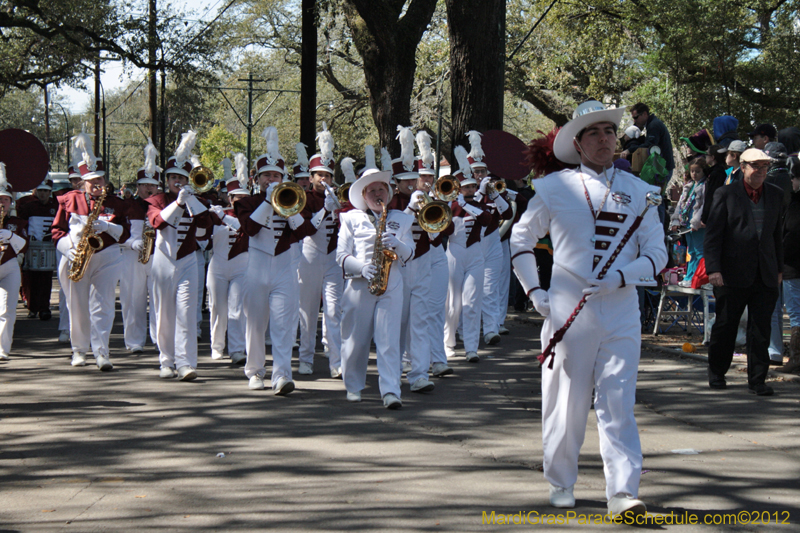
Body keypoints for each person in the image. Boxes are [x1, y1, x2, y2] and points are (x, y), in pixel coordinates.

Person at [511, 100, 667, 516]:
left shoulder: (642, 192)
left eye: (609, 132)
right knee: (567, 401)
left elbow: (657, 252)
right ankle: (561, 479)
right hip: (568, 306)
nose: (604, 139)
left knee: (618, 400)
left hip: (621, 307)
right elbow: (521, 240)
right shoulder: (554, 187)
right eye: (594, 133)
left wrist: (623, 276)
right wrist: (534, 292)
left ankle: (622, 492)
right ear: (578, 145)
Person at [235, 127, 316, 394]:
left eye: (276, 175)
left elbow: (304, 231)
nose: (272, 178)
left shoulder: (293, 200)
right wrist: (269, 202)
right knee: (256, 323)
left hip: (284, 266)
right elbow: (250, 229)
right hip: (256, 266)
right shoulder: (247, 202)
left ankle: (282, 375)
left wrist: (287, 206)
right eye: (267, 175)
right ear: (257, 179)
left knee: (284, 324)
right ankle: (256, 370)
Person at [704, 148, 784, 396]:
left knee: (761, 329)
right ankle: (717, 373)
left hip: (766, 273)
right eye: (755, 166)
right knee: (726, 326)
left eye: (764, 166)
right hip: (731, 273)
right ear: (742, 166)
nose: (760, 171)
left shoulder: (776, 195)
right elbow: (713, 235)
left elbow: (777, 236)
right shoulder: (726, 194)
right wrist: (714, 269)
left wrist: (779, 269)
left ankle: (757, 380)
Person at [336, 169, 414, 408]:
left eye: (381, 189)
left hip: (391, 283)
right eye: (372, 190)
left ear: (388, 193)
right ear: (364, 194)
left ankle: (391, 390)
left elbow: (409, 254)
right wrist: (361, 268)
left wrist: (398, 244)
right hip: (360, 284)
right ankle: (353, 385)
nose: (377, 194)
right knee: (355, 340)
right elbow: (340, 255)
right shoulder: (350, 218)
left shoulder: (402, 218)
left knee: (389, 339)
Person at [52, 133, 130, 371]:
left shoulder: (115, 202)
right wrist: (70, 251)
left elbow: (126, 234)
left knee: (103, 305)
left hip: (107, 257)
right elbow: (56, 232)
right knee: (76, 305)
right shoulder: (69, 199)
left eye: (101, 180)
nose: (97, 185)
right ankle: (78, 350)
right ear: (82, 182)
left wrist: (108, 226)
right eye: (92, 181)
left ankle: (102, 352)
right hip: (77, 257)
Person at [146, 130, 214, 381]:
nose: (176, 181)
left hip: (187, 261)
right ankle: (166, 360)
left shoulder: (198, 200)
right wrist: (177, 204)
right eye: (172, 177)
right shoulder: (157, 199)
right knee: (164, 314)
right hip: (162, 261)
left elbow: (206, 227)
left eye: (181, 178)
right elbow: (158, 223)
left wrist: (193, 202)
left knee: (186, 313)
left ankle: (186, 363)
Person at [388, 127, 436, 392]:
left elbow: (443, 232)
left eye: (413, 179)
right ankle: (392, 373)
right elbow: (391, 230)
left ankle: (418, 373)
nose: (410, 184)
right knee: (397, 322)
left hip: (424, 263)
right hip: (399, 266)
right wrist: (409, 209)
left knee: (420, 320)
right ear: (396, 181)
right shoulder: (391, 202)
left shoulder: (427, 200)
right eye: (405, 180)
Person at [296, 131, 344, 378]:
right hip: (311, 255)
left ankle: (336, 361)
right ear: (311, 177)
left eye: (327, 175)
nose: (323, 179)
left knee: (335, 310)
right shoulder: (304, 198)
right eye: (320, 175)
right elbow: (305, 228)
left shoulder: (336, 197)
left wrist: (339, 210)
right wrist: (325, 210)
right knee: (308, 310)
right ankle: (305, 358)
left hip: (333, 258)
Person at [443, 147, 492, 363]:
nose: (471, 189)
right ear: (458, 189)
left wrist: (467, 206)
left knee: (472, 302)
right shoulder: (450, 206)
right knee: (453, 303)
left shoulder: (479, 205)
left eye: (473, 186)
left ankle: (472, 347)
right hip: (454, 253)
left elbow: (487, 220)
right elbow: (444, 231)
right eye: (466, 187)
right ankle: (448, 342)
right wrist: (453, 206)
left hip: (475, 254)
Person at [465, 130, 513, 346]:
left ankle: (491, 329)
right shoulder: (465, 194)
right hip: (471, 246)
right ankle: (464, 330)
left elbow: (507, 213)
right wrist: (477, 194)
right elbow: (465, 211)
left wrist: (492, 194)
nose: (480, 176)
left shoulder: (494, 190)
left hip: (493, 242)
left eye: (483, 171)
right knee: (469, 291)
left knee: (490, 287)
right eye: (476, 172)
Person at [206, 155, 250, 364]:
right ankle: (217, 346)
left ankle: (237, 349)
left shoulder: (252, 216)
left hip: (242, 264)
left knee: (237, 307)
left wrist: (223, 217)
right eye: (236, 198)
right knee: (217, 307)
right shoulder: (216, 212)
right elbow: (201, 236)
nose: (239, 201)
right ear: (229, 198)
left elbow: (243, 227)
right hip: (219, 265)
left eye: (244, 197)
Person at [119, 139, 159, 354]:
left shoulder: (163, 205)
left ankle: (159, 340)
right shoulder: (127, 206)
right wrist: (130, 242)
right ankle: (134, 341)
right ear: (137, 186)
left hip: (157, 257)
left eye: (152, 185)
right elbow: (114, 231)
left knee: (159, 301)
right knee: (132, 299)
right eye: (144, 184)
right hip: (131, 257)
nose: (148, 188)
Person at [17, 180, 57, 321]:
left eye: (45, 191)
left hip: (48, 246)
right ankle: (32, 308)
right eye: (40, 191)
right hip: (32, 246)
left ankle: (44, 308)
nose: (43, 194)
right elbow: (21, 225)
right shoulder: (29, 207)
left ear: (49, 192)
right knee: (32, 278)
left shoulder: (55, 206)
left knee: (46, 279)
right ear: (36, 192)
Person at [0, 164, 29, 361]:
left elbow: (24, 247)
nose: (2, 203)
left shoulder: (17, 223)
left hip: (9, 266)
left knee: (7, 310)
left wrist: (10, 235)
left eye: (5, 199)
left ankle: (3, 348)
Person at [778, 157, 800, 373]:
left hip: (794, 266)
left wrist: (780, 257)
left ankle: (796, 359)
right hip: (793, 265)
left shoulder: (796, 204)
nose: (791, 182)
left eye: (794, 178)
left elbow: (792, 234)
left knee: (795, 313)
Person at [669, 159, 706, 287]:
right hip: (686, 224)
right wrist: (675, 220)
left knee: (699, 251)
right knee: (690, 251)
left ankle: (699, 277)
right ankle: (689, 275)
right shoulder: (689, 186)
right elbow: (680, 204)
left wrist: (699, 220)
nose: (694, 174)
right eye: (692, 171)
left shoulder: (704, 186)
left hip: (697, 225)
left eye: (698, 171)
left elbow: (704, 206)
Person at [619, 103, 675, 183]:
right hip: (662, 167)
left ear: (645, 114)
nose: (634, 121)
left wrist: (629, 150)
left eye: (636, 117)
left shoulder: (653, 125)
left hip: (662, 169)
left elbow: (649, 145)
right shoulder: (652, 123)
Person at [701, 144, 730, 226]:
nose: (705, 157)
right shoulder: (714, 172)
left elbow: (711, 195)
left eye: (707, 155)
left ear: (713, 157)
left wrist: (705, 217)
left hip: (714, 214)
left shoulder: (717, 173)